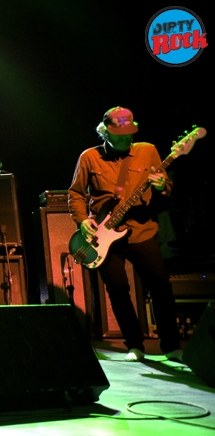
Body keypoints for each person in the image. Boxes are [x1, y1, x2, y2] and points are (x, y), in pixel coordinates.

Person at [68, 107, 183, 362]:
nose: (125, 139)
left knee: (161, 287)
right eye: (119, 134)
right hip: (104, 237)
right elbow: (75, 193)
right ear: (104, 131)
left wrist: (163, 186)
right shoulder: (89, 157)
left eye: (128, 133)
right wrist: (82, 220)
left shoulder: (148, 150)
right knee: (118, 290)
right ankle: (134, 345)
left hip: (143, 231)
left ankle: (171, 345)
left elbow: (167, 188)